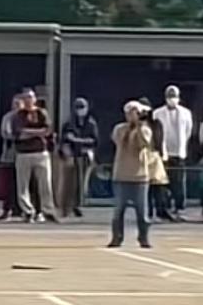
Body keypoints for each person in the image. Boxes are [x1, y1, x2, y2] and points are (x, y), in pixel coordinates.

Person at [108, 101, 153, 249]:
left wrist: (139, 127)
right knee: (118, 210)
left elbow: (143, 144)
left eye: (135, 112)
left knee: (142, 211)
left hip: (139, 176)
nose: (131, 116)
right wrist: (130, 127)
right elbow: (119, 141)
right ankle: (117, 237)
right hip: (121, 174)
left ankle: (143, 237)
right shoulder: (119, 129)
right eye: (129, 113)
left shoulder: (146, 130)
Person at [11, 87, 57, 223]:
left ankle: (47, 211)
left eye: (30, 97)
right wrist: (37, 132)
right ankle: (27, 211)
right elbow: (19, 134)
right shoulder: (17, 116)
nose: (28, 100)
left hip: (41, 152)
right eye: (25, 98)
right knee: (23, 185)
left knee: (45, 184)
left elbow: (47, 130)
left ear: (35, 99)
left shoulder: (42, 113)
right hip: (23, 153)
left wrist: (29, 132)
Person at [153, 85, 193, 218]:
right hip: (163, 153)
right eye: (169, 96)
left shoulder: (186, 113)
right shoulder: (157, 113)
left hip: (179, 152)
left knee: (179, 181)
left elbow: (188, 131)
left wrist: (182, 147)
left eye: (174, 96)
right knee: (163, 182)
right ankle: (164, 207)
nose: (172, 99)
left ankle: (180, 206)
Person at [58, 97, 100, 218]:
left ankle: (78, 205)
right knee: (68, 183)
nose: (80, 110)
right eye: (78, 107)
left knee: (81, 183)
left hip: (85, 156)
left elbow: (95, 140)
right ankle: (66, 207)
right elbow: (64, 139)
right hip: (71, 156)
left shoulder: (91, 123)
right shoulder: (68, 123)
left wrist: (77, 140)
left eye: (82, 107)